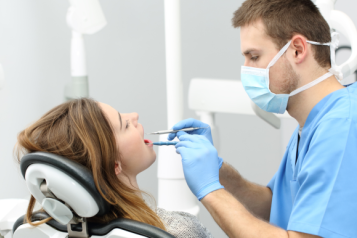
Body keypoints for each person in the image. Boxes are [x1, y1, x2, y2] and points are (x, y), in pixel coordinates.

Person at [168, 0, 357, 237]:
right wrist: (217, 170)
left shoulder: (342, 126)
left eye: (254, 57)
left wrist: (211, 191)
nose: (246, 69)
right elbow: (275, 205)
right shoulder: (311, 123)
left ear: (297, 49)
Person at [15, 98, 214, 238]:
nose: (135, 115)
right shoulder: (179, 230)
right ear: (114, 165)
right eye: (125, 125)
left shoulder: (40, 229)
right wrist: (212, 187)